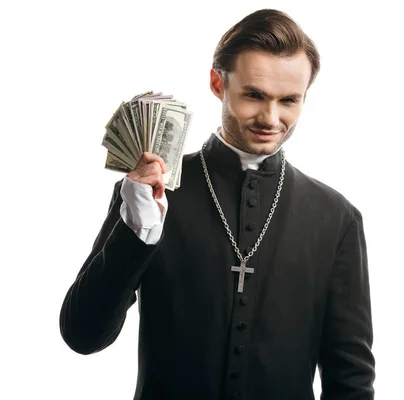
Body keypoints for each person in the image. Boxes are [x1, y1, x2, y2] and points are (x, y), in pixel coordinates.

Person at [59, 8, 375, 400]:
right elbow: (82, 336)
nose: (270, 118)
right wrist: (137, 230)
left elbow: (352, 381)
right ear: (217, 83)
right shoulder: (150, 193)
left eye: (289, 100)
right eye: (254, 95)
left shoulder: (336, 217)